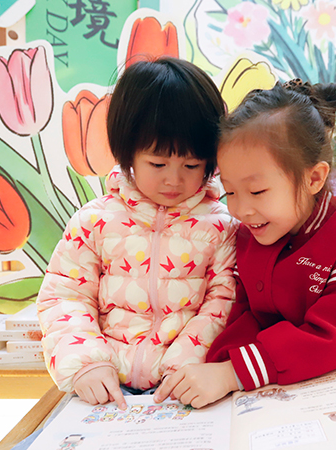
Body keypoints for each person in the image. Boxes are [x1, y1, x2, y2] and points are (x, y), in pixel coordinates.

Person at [153, 79, 336, 408]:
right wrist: (218, 365)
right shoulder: (251, 234)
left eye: (257, 191)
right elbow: (246, 317)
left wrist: (234, 373)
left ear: (314, 178)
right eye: (230, 192)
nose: (240, 209)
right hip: (286, 390)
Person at [36, 57, 238, 410]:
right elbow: (65, 296)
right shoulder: (94, 221)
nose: (174, 179)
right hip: (104, 383)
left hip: (186, 383)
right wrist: (86, 363)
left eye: (192, 165)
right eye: (157, 163)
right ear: (127, 152)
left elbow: (225, 301)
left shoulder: (221, 226)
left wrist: (185, 364)